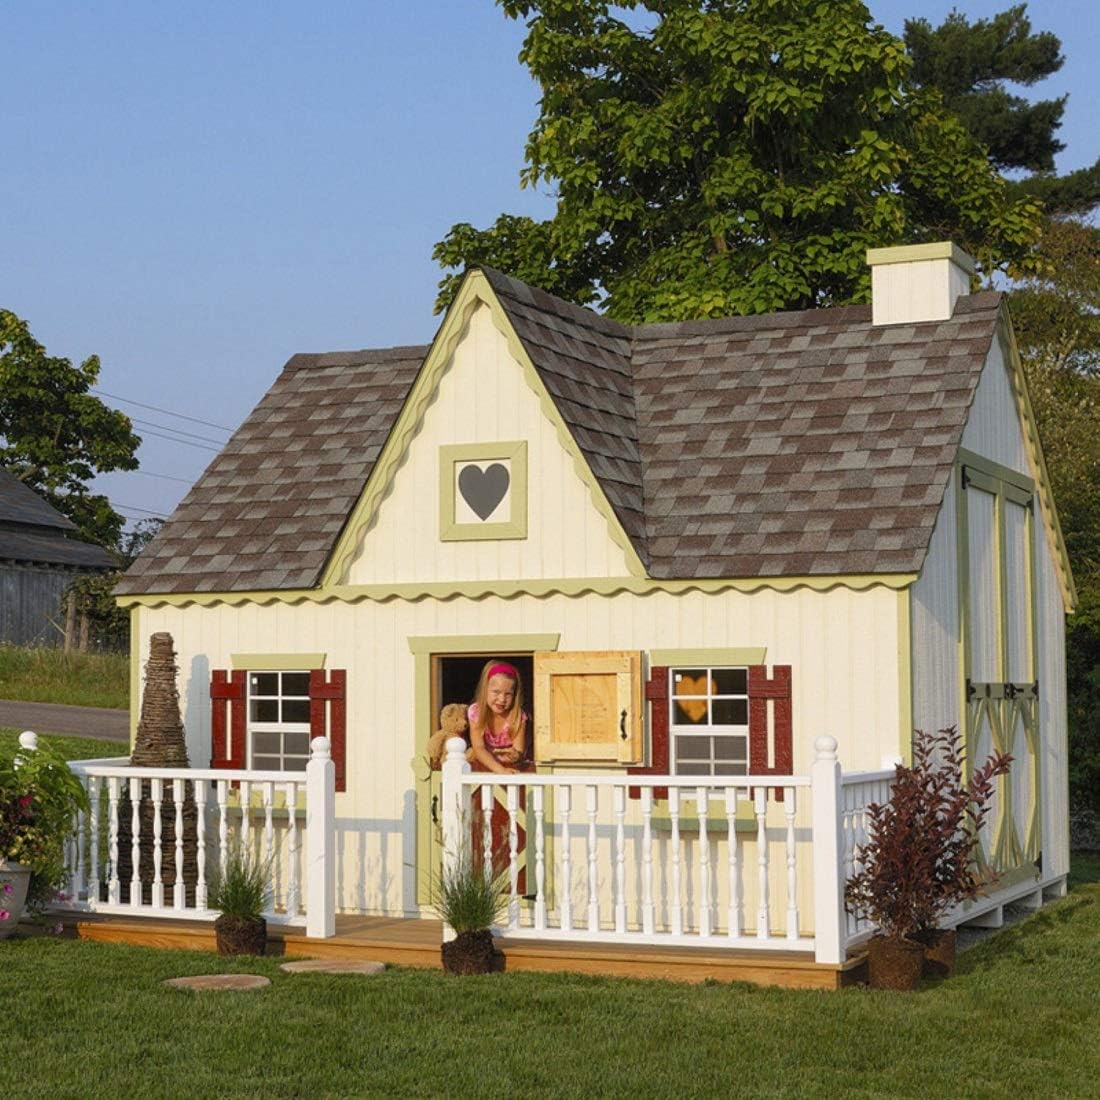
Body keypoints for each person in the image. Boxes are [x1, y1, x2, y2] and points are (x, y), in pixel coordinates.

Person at [467, 660, 527, 774]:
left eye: (508, 694)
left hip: (511, 767)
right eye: (496, 692)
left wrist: (515, 755)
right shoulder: (476, 713)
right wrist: (500, 770)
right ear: (485, 690)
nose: (502, 699)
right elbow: (479, 748)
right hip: (486, 764)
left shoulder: (518, 716)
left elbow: (519, 750)